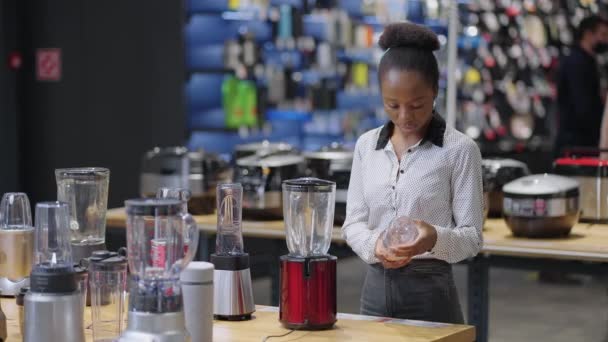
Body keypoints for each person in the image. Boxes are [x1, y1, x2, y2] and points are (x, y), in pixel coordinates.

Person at [341, 22, 483, 324]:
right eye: (392, 105)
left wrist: (433, 238)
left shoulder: (459, 150)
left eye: (417, 105)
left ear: (435, 91)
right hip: (375, 292)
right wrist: (374, 246)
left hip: (432, 293)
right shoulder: (367, 146)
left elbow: (471, 238)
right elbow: (353, 223)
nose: (404, 116)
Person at [554, 15, 608, 158]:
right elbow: (583, 107)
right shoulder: (577, 63)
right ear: (588, 34)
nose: (605, 40)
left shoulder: (588, 62)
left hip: (582, 141)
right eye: (602, 35)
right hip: (576, 145)